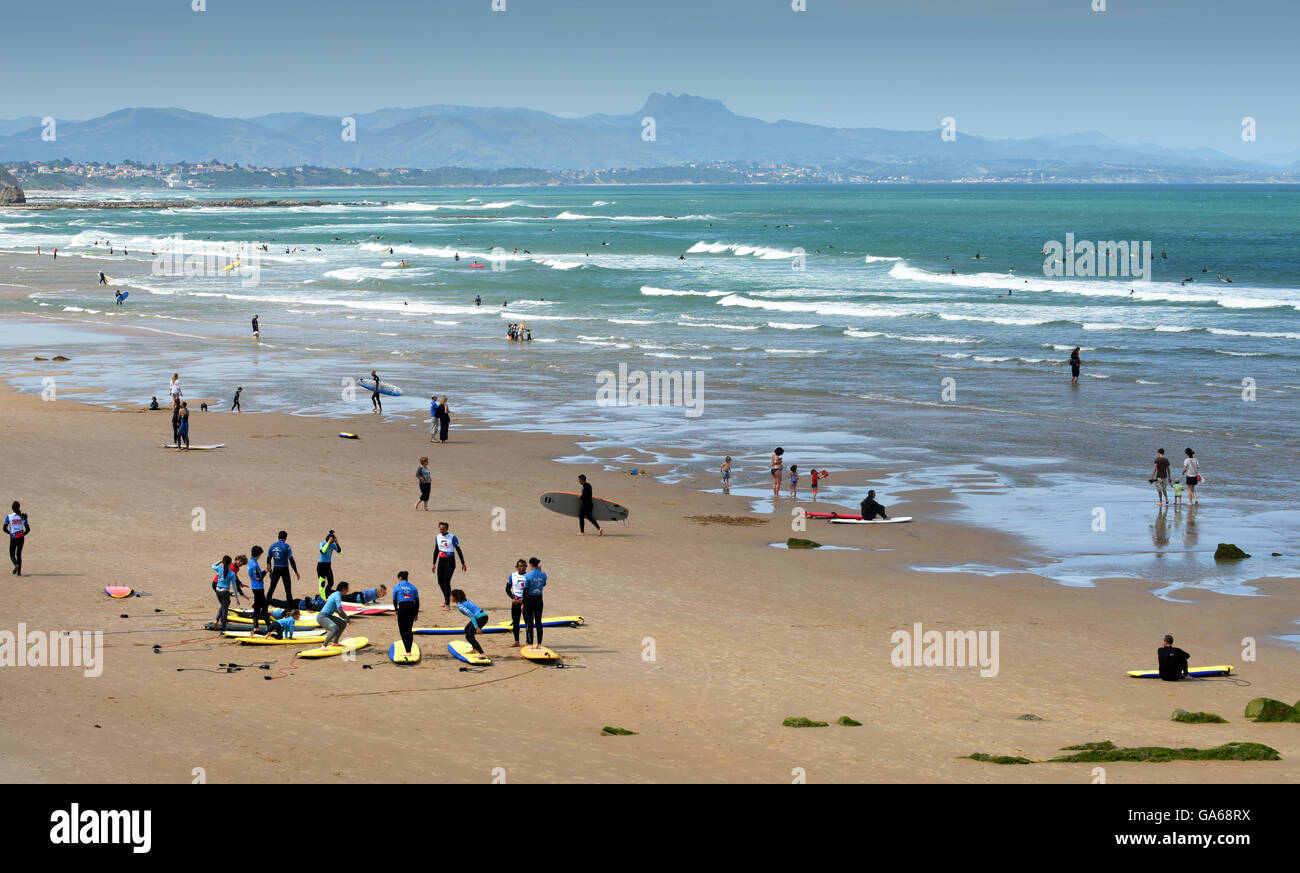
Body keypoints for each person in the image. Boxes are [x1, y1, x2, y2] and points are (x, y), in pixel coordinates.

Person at [434, 522, 467, 609]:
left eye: (443, 529)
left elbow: (458, 550)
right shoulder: (437, 537)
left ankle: (448, 604)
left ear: (447, 529)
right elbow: (436, 550)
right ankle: (447, 598)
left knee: (446, 581)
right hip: (441, 561)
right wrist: (434, 563)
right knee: (440, 582)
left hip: (450, 562)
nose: (441, 530)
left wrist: (463, 563)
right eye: (440, 529)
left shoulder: (452, 537)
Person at [450, 588, 490, 658]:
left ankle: (482, 653)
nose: (450, 598)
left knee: (469, 636)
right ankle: (475, 649)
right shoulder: (464, 601)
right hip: (482, 616)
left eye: (451, 596)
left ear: (455, 597)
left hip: (481, 618)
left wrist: (476, 627)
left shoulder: (460, 606)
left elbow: (471, 615)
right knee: (466, 629)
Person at [266, 530, 300, 602]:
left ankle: (265, 604)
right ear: (286, 538)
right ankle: (290, 607)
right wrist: (296, 572)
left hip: (276, 569)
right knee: (288, 590)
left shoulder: (272, 546)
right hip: (284, 569)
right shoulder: (287, 546)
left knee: (271, 588)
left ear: (278, 537)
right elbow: (291, 560)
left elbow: (268, 560)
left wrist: (271, 572)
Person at [212, 555, 241, 631]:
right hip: (224, 592)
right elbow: (234, 586)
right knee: (225, 610)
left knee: (224, 605)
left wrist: (220, 561)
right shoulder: (231, 573)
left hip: (217, 590)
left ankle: (216, 620)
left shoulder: (220, 569)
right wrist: (237, 598)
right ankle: (223, 628)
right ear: (230, 563)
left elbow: (213, 566)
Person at [522, 557, 547, 647]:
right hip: (539, 599)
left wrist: (523, 604)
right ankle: (539, 644)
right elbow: (543, 584)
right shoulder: (543, 574)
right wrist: (540, 572)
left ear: (530, 565)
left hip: (529, 600)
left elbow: (525, 591)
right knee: (538, 622)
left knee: (529, 622)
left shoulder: (527, 576)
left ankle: (531, 644)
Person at [316, 582, 350, 647]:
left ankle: (335, 642)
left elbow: (337, 610)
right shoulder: (337, 596)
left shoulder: (335, 594)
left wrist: (344, 618)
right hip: (322, 617)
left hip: (328, 616)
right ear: (343, 589)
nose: (348, 590)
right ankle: (324, 645)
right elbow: (340, 610)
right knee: (335, 628)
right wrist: (347, 618)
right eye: (347, 588)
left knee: (343, 624)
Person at [393, 571, 419, 655]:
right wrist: (416, 613)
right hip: (412, 607)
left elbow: (394, 600)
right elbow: (417, 602)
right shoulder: (413, 587)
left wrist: (396, 609)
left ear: (400, 578)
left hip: (403, 608)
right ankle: (409, 650)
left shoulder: (397, 586)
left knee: (402, 630)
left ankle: (407, 651)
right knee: (409, 629)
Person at [247, 545, 271, 635]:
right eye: (260, 554)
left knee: (258, 607)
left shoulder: (251, 561)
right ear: (258, 554)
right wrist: (266, 570)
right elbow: (259, 577)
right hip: (258, 588)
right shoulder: (254, 564)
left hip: (255, 587)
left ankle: (257, 626)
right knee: (263, 607)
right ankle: (267, 626)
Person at [505, 558, 528, 647]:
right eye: (520, 566)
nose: (522, 568)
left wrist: (524, 600)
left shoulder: (528, 576)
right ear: (517, 567)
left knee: (527, 622)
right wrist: (512, 598)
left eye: (523, 566)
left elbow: (530, 590)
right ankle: (516, 641)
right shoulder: (513, 576)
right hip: (515, 602)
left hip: (525, 602)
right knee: (515, 622)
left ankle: (528, 642)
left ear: (526, 567)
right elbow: (507, 589)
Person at [5, 501, 29, 576]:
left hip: (13, 537)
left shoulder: (9, 516)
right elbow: (28, 529)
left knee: (12, 554)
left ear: (12, 508)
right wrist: (22, 534)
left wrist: (11, 533)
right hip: (21, 537)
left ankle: (16, 565)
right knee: (18, 554)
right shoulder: (23, 517)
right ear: (19, 507)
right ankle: (19, 572)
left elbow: (4, 529)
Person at [317, 530, 342, 597]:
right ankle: (322, 597)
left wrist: (336, 543)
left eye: (333, 542)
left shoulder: (333, 545)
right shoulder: (322, 543)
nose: (332, 543)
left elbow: (339, 551)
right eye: (332, 542)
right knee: (322, 582)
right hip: (321, 565)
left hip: (328, 565)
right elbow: (322, 551)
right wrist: (328, 543)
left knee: (331, 582)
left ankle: (324, 595)